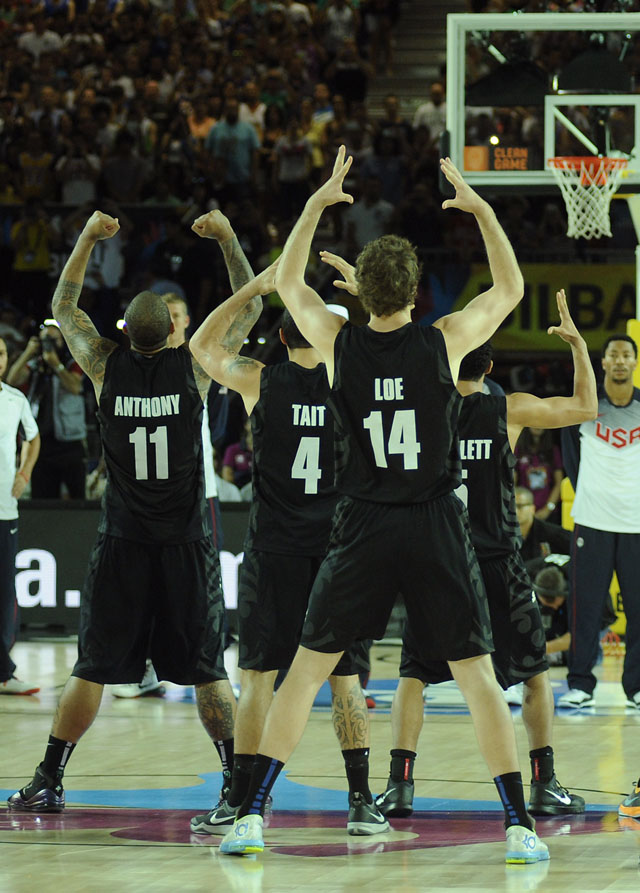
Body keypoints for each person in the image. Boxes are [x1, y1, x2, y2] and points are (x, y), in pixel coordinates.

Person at [218, 149, 549, 865]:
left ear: (362, 293)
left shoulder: (337, 342)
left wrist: (315, 205)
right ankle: (520, 824)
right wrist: (482, 208)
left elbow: (286, 280)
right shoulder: (444, 340)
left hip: (362, 521)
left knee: (304, 672)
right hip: (432, 519)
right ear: (416, 291)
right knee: (477, 675)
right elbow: (511, 288)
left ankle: (249, 815)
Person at [8, 210, 237, 812]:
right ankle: (235, 783)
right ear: (172, 332)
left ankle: (51, 777)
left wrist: (85, 236)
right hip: (185, 541)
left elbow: (64, 304)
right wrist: (228, 240)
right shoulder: (194, 369)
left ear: (125, 331)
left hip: (124, 540)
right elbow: (249, 308)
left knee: (91, 666)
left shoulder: (105, 368)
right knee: (210, 670)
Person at [371, 294, 594, 821]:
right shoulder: (507, 408)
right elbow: (585, 408)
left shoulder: (424, 410)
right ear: (490, 367)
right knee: (534, 675)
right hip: (497, 562)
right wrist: (579, 348)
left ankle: (399, 786)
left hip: (438, 561)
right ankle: (544, 784)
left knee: (414, 676)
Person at [189, 239, 381, 834]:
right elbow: (395, 343)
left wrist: (258, 286)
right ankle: (361, 799)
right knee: (345, 677)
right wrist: (364, 298)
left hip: (272, 550)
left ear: (278, 338)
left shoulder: (258, 381)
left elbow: (199, 346)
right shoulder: (352, 382)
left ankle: (245, 800)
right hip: (335, 551)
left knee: (258, 678)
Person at [559, 333, 640, 710]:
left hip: (637, 524)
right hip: (592, 522)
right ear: (603, 363)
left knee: (639, 609)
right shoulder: (586, 407)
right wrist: (591, 493)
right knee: (584, 607)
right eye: (613, 355)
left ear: (634, 363)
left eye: (627, 355)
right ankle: (580, 683)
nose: (620, 361)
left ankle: (636, 687)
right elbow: (571, 458)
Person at [0, 336, 41, 695]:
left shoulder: (15, 400)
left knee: (3, 592)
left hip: (3, 511)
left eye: (0, 353)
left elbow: (34, 437)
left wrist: (24, 472)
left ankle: (3, 671)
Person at [7, 323, 87, 499]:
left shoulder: (71, 362)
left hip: (70, 442)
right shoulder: (36, 365)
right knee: (43, 500)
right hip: (41, 443)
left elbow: (75, 386)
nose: (49, 343)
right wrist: (28, 352)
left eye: (53, 339)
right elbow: (12, 380)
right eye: (45, 340)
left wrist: (56, 364)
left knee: (77, 500)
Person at [514, 427, 564, 521]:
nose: (537, 426)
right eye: (534, 422)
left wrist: (548, 508)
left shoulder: (553, 451)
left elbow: (559, 483)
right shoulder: (518, 450)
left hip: (548, 511)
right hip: (523, 510)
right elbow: (512, 482)